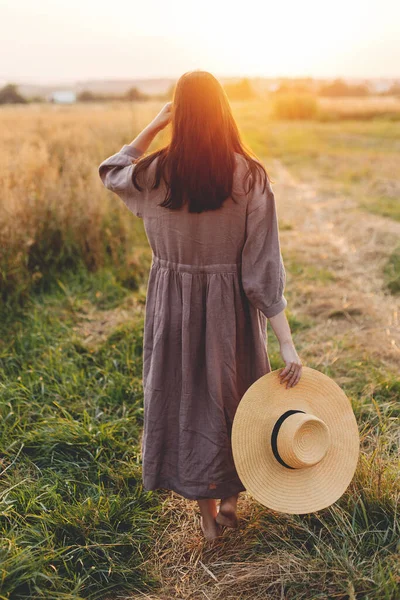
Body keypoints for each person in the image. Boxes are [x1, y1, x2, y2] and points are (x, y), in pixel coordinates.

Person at [98, 70, 303, 542]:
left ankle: (208, 518)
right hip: (229, 308)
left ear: (179, 115)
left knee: (187, 400)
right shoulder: (248, 175)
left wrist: (152, 126)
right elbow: (262, 271)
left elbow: (111, 171)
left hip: (173, 309)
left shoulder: (154, 172)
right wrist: (286, 343)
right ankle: (231, 500)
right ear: (223, 111)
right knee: (235, 398)